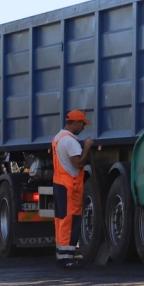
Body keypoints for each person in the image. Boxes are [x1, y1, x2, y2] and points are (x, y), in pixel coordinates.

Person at [51, 110, 94, 269]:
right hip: (70, 186)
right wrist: (87, 147)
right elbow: (79, 163)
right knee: (70, 221)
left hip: (60, 183)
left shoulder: (58, 138)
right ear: (75, 123)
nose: (83, 128)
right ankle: (67, 258)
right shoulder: (70, 142)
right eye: (82, 124)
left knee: (62, 220)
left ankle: (62, 255)